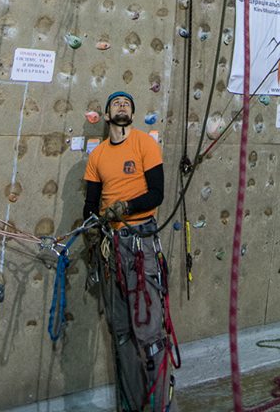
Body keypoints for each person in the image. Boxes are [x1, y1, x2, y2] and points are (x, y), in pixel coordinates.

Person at [83, 91, 179, 412]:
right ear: (108, 116)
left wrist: (125, 207)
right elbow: (89, 205)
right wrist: (93, 232)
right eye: (116, 103)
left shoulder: (144, 144)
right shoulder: (97, 157)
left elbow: (157, 194)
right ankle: (132, 404)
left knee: (149, 330)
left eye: (127, 103)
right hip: (112, 248)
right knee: (121, 331)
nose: (122, 105)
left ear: (132, 114)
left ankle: (159, 405)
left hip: (141, 243)